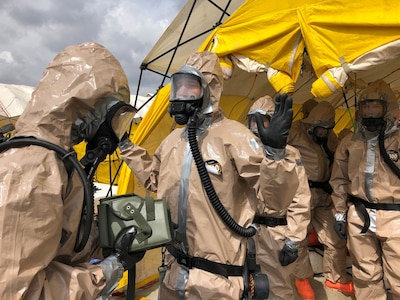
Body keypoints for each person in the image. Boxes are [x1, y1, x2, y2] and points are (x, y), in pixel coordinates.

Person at [119, 51, 301, 299]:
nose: (181, 95)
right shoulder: (173, 141)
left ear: (210, 89)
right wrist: (126, 146)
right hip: (175, 274)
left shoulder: (234, 137)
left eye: (190, 87)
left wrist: (275, 156)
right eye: (178, 87)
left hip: (217, 280)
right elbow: (154, 180)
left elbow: (275, 202)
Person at [0, 42, 139, 299]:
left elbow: (61, 243)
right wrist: (111, 268)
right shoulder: (30, 170)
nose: (114, 132)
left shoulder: (59, 162)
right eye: (116, 116)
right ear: (89, 107)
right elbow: (20, 293)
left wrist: (106, 241)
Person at [330, 79, 400, 299]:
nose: (370, 112)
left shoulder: (397, 140)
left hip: (395, 216)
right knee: (365, 274)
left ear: (387, 108)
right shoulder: (350, 142)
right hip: (360, 215)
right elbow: (339, 179)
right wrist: (340, 213)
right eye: (366, 106)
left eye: (376, 106)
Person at [288, 101, 354, 300]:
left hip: (325, 193)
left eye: (328, 129)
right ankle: (302, 278)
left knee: (335, 236)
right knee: (298, 236)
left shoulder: (329, 137)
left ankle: (336, 277)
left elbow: (339, 154)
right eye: (321, 128)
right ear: (310, 123)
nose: (324, 133)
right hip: (301, 194)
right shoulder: (294, 132)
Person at [247, 95, 311, 299]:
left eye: (264, 121)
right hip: (246, 232)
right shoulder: (241, 152)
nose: (257, 127)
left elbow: (300, 199)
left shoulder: (290, 155)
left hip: (275, 235)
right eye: (253, 121)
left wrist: (293, 240)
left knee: (277, 289)